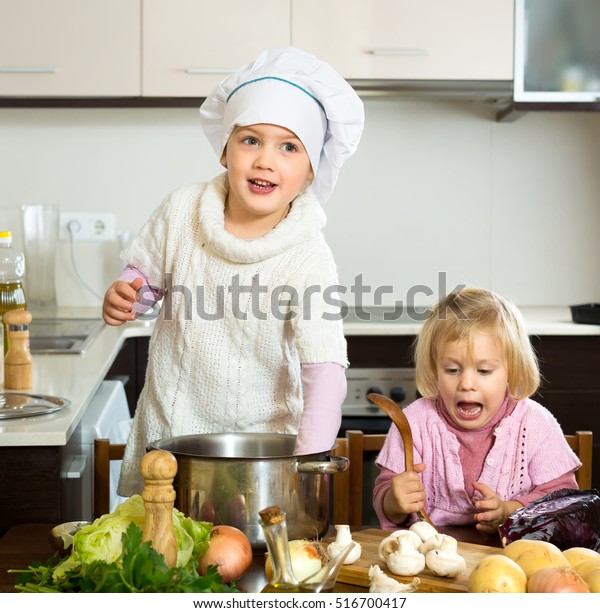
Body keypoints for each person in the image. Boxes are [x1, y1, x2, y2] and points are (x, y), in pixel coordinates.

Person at [102, 46, 364, 496]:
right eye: (250, 140)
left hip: (265, 456)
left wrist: (307, 464)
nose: (266, 160)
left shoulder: (308, 255)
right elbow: (144, 281)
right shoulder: (182, 208)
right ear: (225, 150)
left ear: (310, 173)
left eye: (288, 147)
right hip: (172, 436)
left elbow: (324, 371)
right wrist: (127, 294)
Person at [374, 287, 581, 533]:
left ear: (511, 371)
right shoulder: (413, 422)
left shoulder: (535, 424)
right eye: (452, 370)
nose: (467, 384)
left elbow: (561, 502)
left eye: (484, 371)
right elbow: (385, 494)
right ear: (434, 370)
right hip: (428, 557)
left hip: (507, 559)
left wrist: (509, 510)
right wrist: (394, 502)